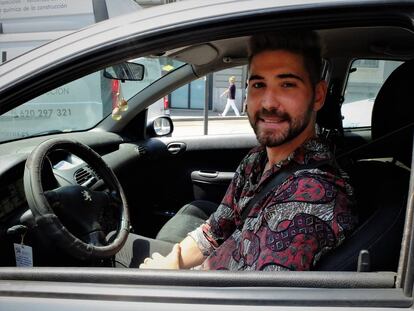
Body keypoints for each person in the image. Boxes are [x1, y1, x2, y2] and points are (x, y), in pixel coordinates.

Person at [115, 30, 356, 271]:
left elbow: (255, 299)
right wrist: (172, 261)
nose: (268, 102)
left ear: (318, 96)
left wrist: (169, 280)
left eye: (287, 84)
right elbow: (215, 231)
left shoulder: (311, 197)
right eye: (259, 84)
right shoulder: (257, 158)